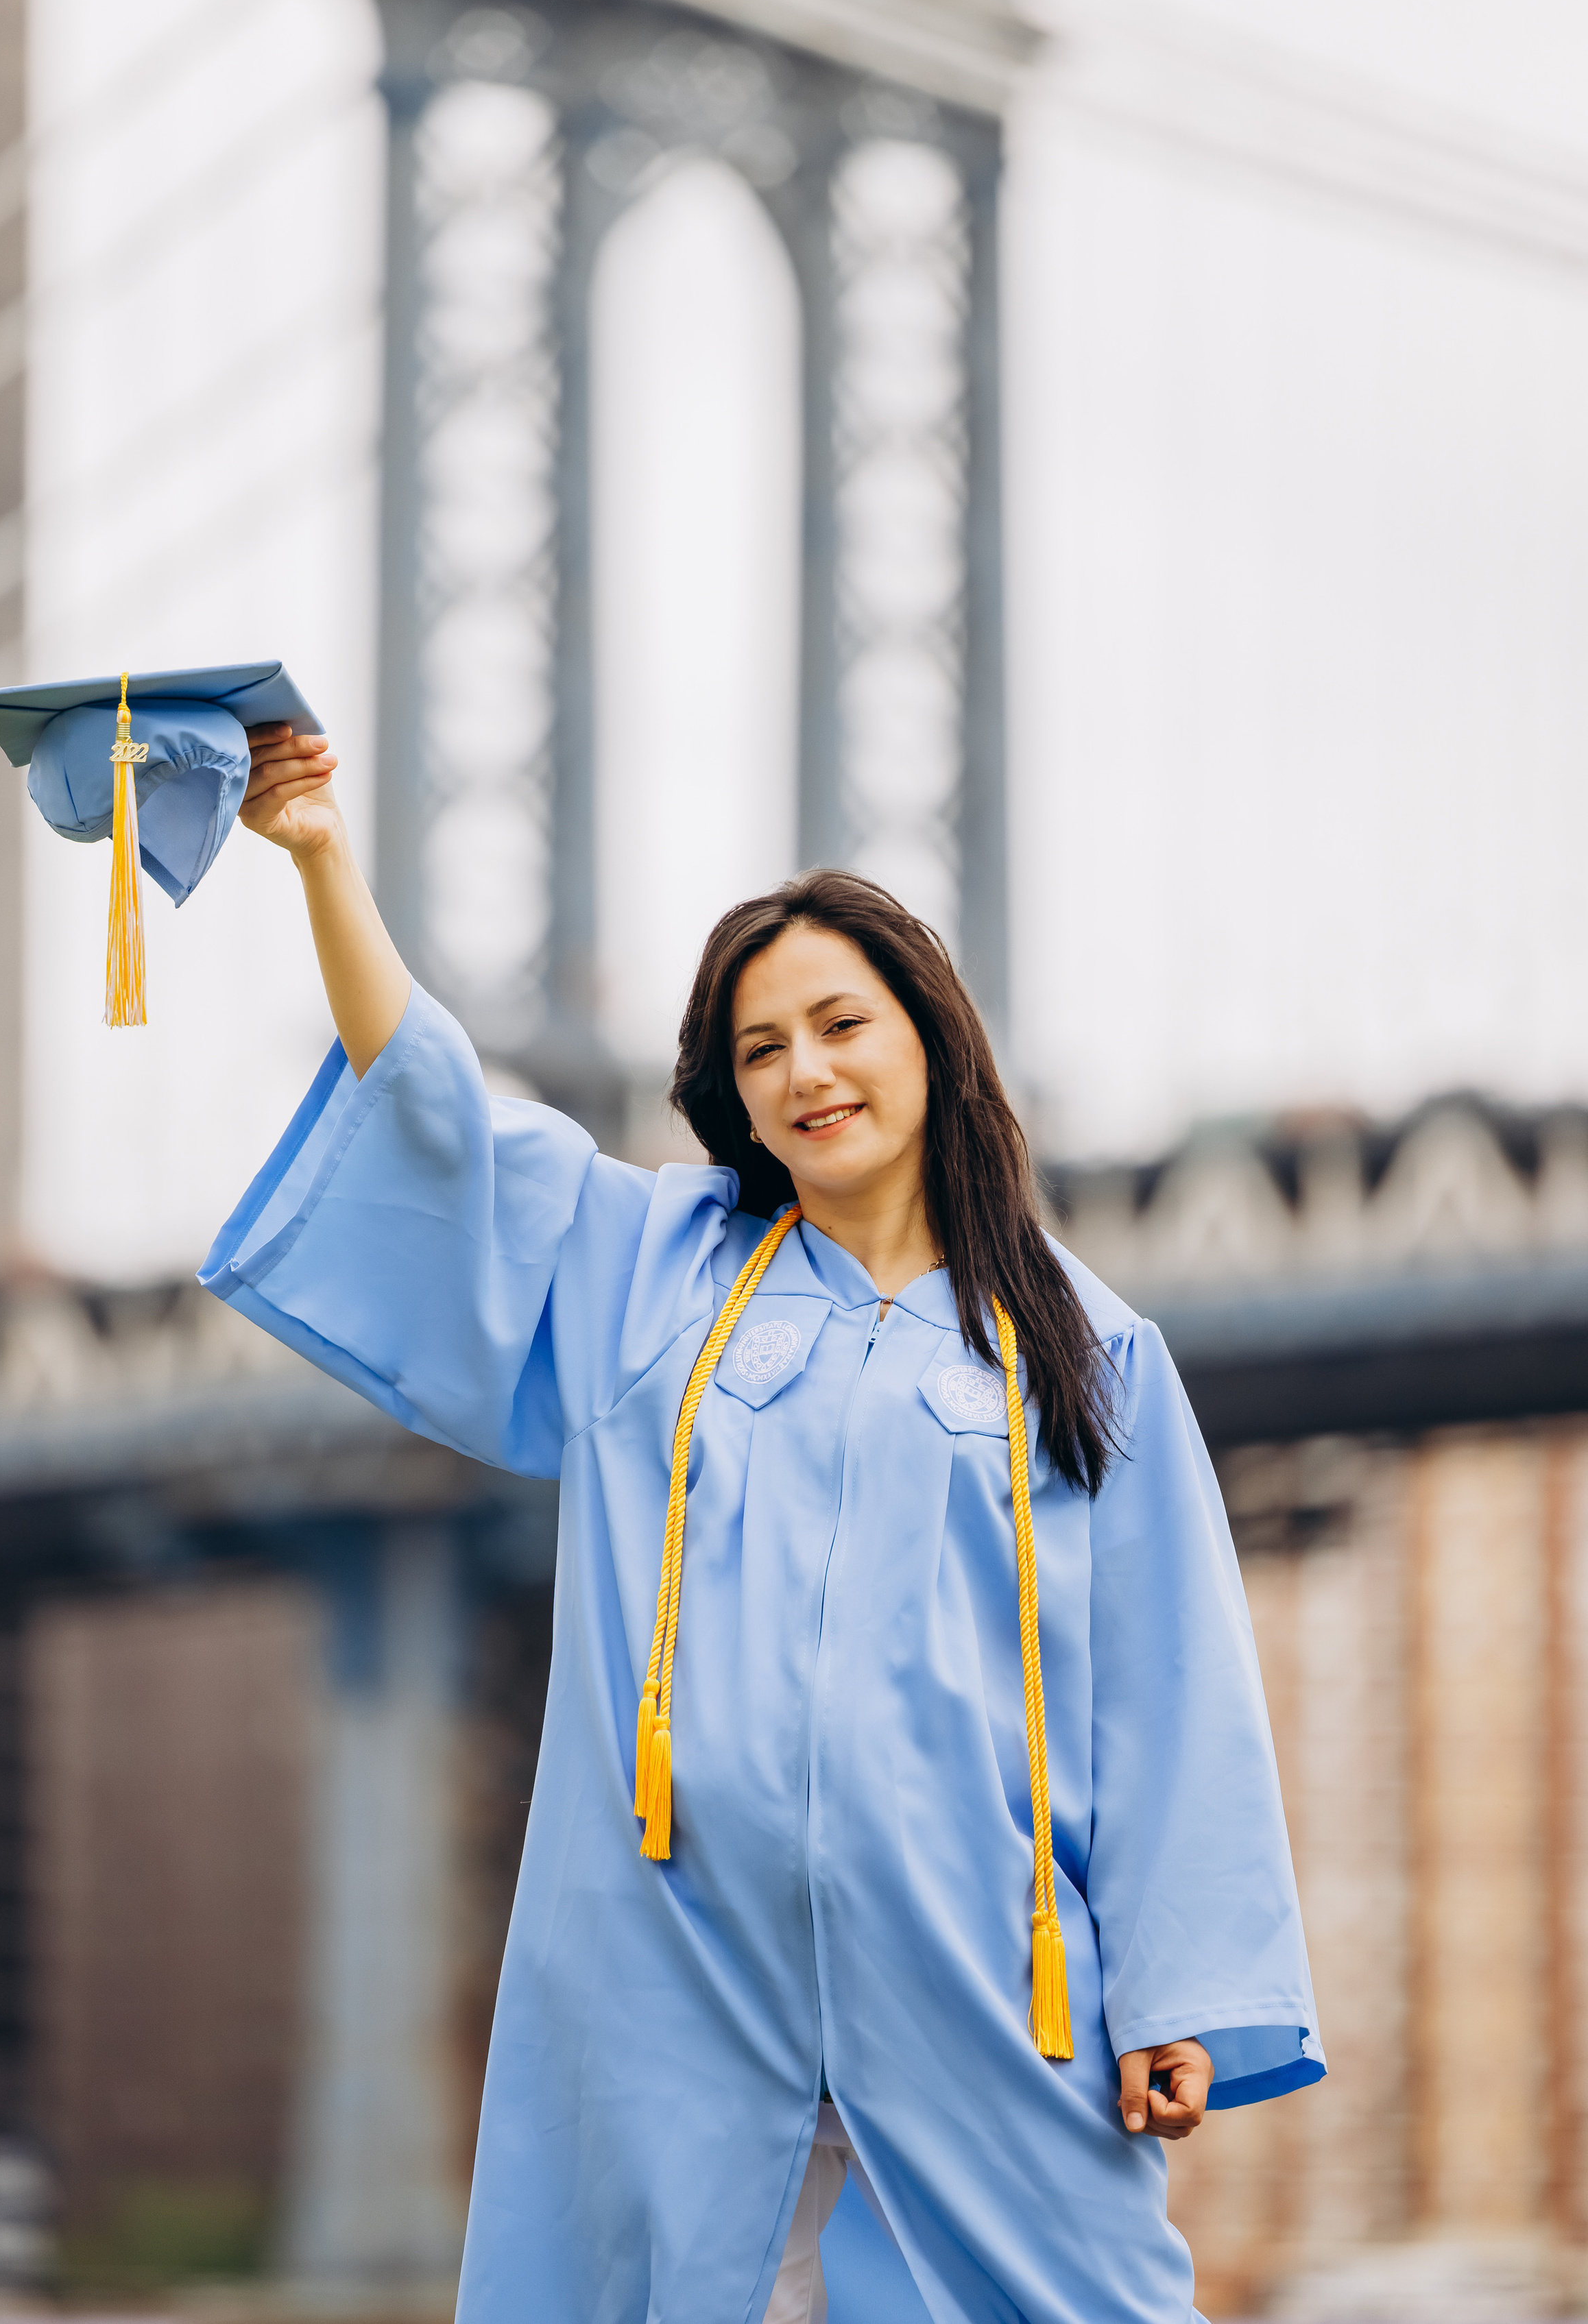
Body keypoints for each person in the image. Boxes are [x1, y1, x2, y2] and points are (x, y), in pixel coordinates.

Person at [201, 723, 1325, 2324]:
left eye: (839, 1023)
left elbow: (1170, 1695)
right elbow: (434, 1110)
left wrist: (1183, 1996)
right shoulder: (647, 1272)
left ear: (930, 1037)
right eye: (759, 1049)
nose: (804, 1072)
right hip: (673, 1957)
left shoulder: (1081, 1348)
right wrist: (320, 852)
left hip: (977, 1974)